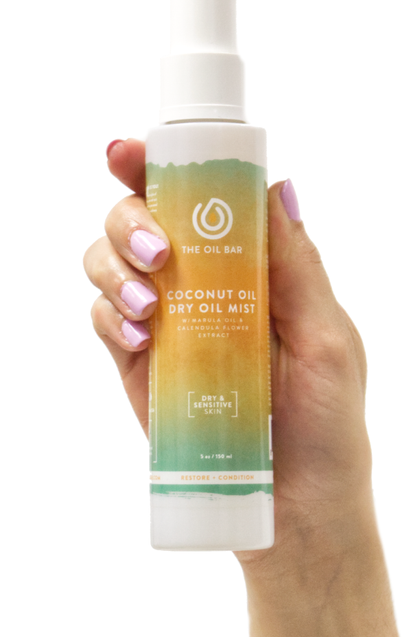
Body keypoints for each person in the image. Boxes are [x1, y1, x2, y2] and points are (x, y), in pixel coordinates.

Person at [83, 138, 399, 636]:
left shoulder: (237, 149)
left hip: (257, 451)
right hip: (183, 420)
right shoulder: (192, 151)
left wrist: (319, 527)